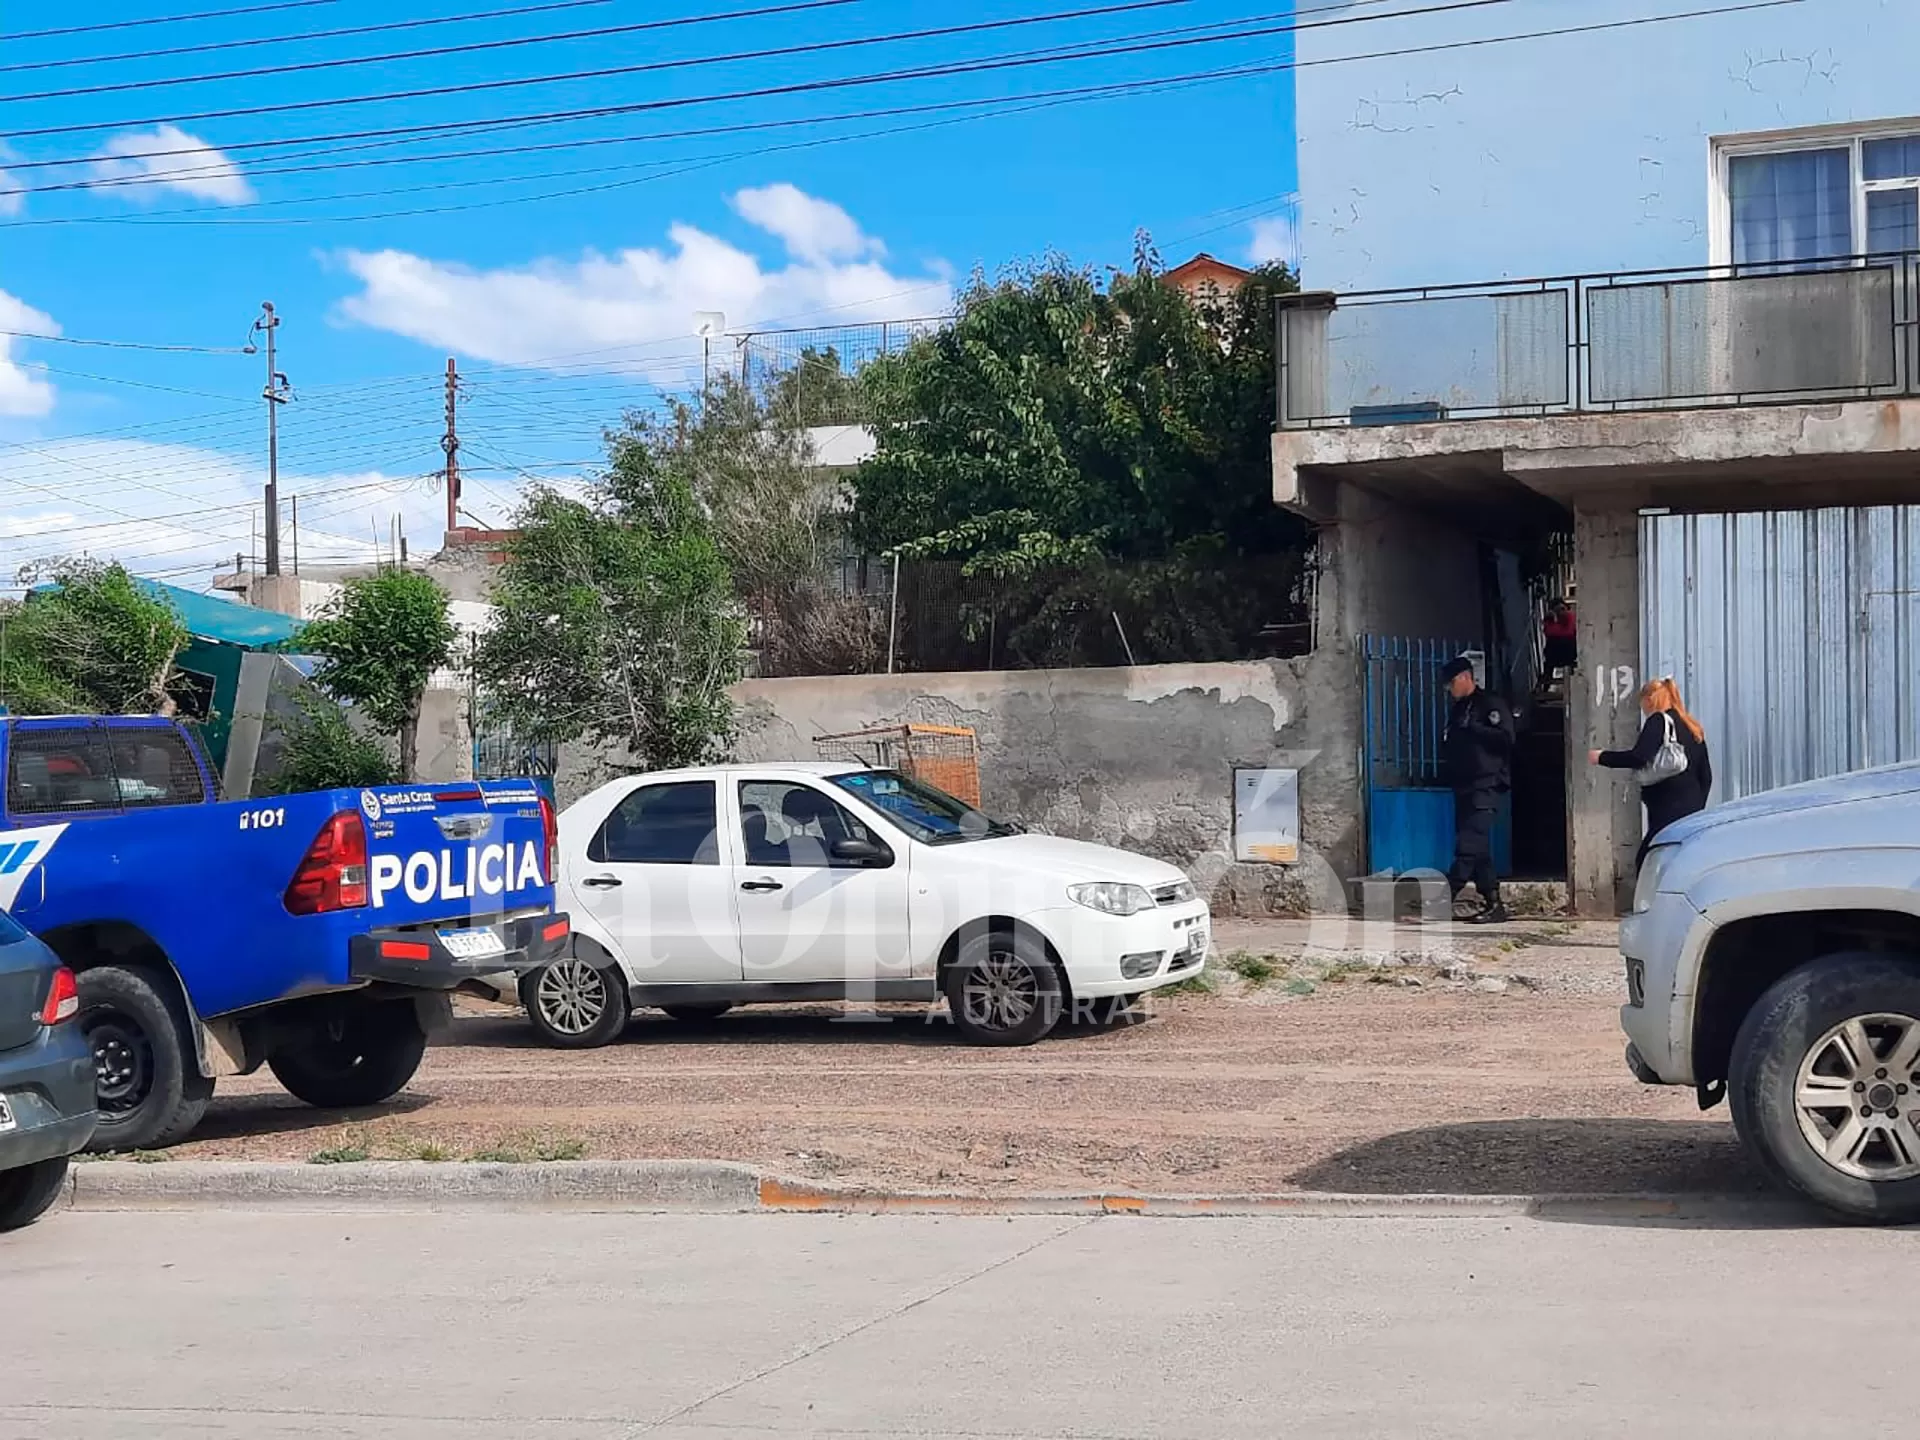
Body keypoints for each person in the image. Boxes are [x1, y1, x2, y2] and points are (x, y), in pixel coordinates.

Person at [1589, 677, 1713, 869]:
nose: (1644, 711)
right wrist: (1696, 807)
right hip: (1691, 812)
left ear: (1649, 700)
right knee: (1680, 863)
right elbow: (1706, 776)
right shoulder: (1691, 725)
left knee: (1647, 864)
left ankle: (1650, 900)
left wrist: (1602, 757)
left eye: (1642, 705)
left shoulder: (1658, 721)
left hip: (1667, 811)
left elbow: (1639, 757)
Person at [1441, 655, 1515, 924]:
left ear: (1464, 678)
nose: (1450, 691)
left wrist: (1476, 729)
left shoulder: (1489, 704)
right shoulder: (1459, 709)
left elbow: (1507, 738)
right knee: (1479, 849)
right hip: (1464, 785)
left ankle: (1444, 896)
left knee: (1468, 843)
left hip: (1487, 784)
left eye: (1451, 684)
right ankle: (1494, 904)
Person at [1542, 598, 1577, 671]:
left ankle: (1547, 674)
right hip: (1566, 657)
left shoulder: (1570, 617)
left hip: (1559, 657)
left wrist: (1549, 622)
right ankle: (1547, 675)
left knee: (1556, 641)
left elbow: (1549, 632)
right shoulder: (1571, 617)